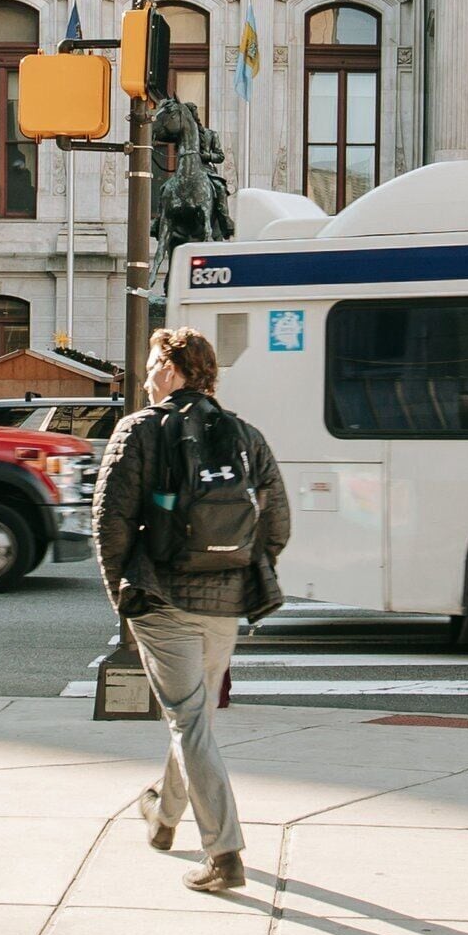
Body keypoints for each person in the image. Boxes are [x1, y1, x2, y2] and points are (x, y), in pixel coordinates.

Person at [93, 327, 289, 895]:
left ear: (174, 371)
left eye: (154, 364)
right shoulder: (245, 436)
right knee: (193, 715)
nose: (148, 374)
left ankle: (224, 854)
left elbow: (111, 525)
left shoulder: (139, 431)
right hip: (224, 607)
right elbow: (277, 526)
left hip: (164, 602)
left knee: (189, 721)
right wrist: (237, 577)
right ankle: (163, 819)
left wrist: (124, 602)